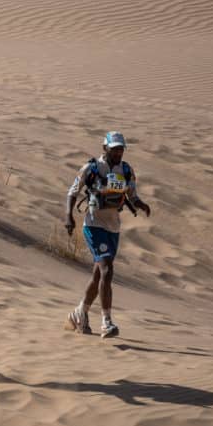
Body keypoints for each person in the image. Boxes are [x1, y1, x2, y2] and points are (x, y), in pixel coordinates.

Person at [64, 132, 151, 338]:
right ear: (105, 148)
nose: (119, 152)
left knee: (98, 275)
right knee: (106, 269)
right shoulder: (91, 168)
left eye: (121, 148)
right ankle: (107, 322)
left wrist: (141, 204)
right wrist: (68, 216)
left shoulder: (127, 170)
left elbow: (132, 195)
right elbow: (73, 191)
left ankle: (80, 313)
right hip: (93, 225)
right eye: (114, 148)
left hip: (113, 228)